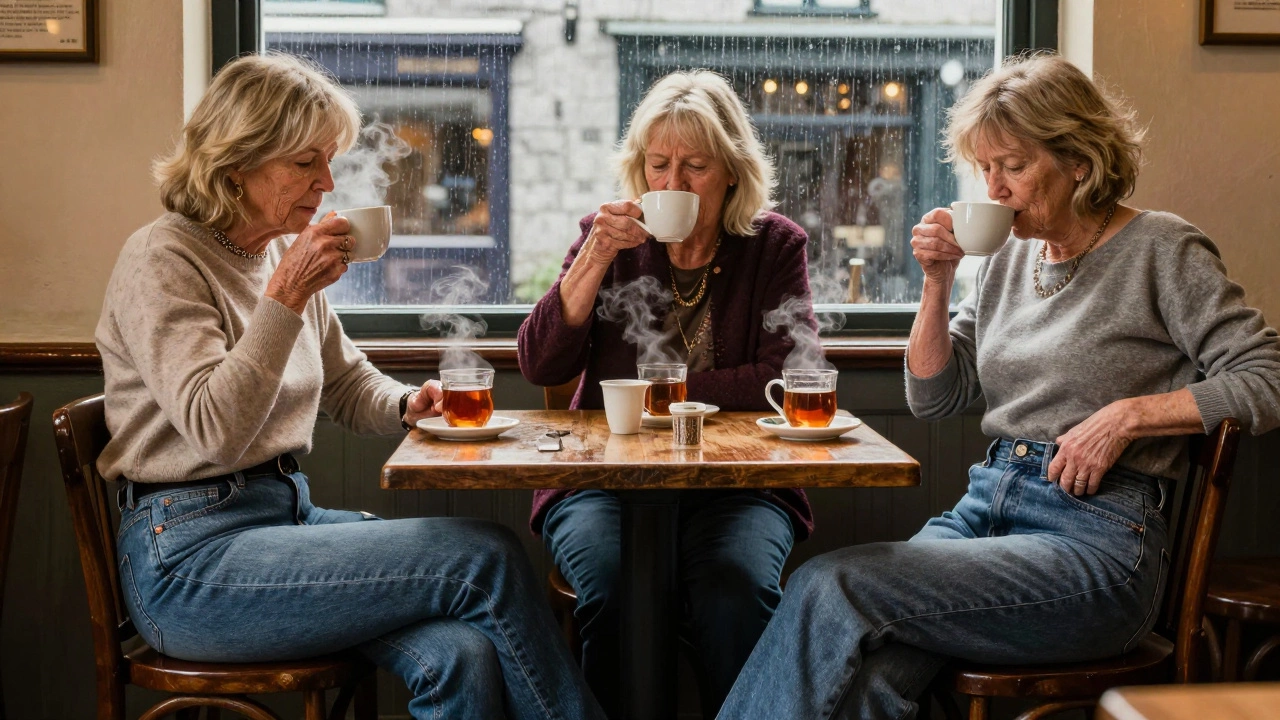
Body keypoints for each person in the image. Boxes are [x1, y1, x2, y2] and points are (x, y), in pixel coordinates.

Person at [716, 53, 1280, 719]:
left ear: (1080, 159)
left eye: (1013, 165)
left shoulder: (1163, 249)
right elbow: (935, 397)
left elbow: (1266, 377)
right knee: (875, 677)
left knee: (826, 583)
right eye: (986, 168)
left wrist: (1127, 417)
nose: (996, 186)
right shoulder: (1008, 257)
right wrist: (936, 280)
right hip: (984, 516)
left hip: (1097, 544)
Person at [97, 53, 603, 720]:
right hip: (189, 563)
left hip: (281, 520)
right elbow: (216, 431)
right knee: (488, 554)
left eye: (329, 160)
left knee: (461, 654)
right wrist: (284, 298)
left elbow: (343, 381)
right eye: (306, 162)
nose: (327, 181)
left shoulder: (274, 251)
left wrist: (405, 406)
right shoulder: (162, 260)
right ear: (237, 158)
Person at [517, 70, 817, 717]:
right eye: (659, 165)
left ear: (732, 171)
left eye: (695, 167)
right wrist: (593, 258)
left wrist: (660, 397)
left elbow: (787, 374)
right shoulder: (612, 242)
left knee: (733, 590)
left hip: (738, 486)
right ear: (640, 170)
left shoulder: (773, 246)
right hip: (604, 481)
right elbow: (541, 360)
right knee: (616, 586)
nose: (673, 184)